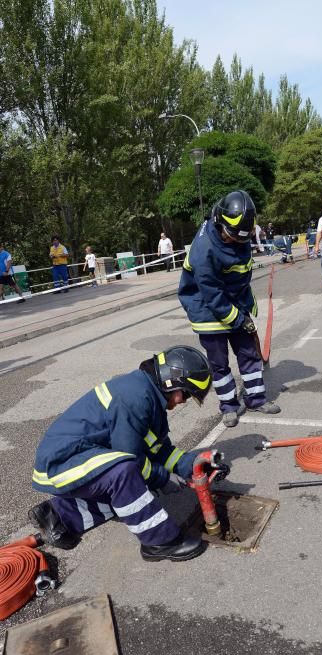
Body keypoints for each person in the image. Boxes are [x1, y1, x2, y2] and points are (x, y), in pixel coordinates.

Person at [28, 346, 226, 563]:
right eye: (186, 393)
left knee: (130, 489)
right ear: (171, 381)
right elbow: (129, 457)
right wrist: (162, 477)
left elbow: (160, 451)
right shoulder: (136, 397)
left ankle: (58, 516)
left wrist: (196, 464)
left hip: (79, 458)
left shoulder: (148, 395)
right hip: (61, 463)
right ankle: (160, 542)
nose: (183, 401)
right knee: (125, 474)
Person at [178, 190, 280, 428]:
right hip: (206, 309)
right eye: (231, 236)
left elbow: (241, 276)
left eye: (240, 239)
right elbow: (211, 293)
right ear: (218, 220)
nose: (235, 241)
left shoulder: (239, 235)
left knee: (248, 354)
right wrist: (237, 319)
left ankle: (255, 399)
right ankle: (229, 407)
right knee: (219, 362)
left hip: (233, 301)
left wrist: (245, 309)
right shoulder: (204, 248)